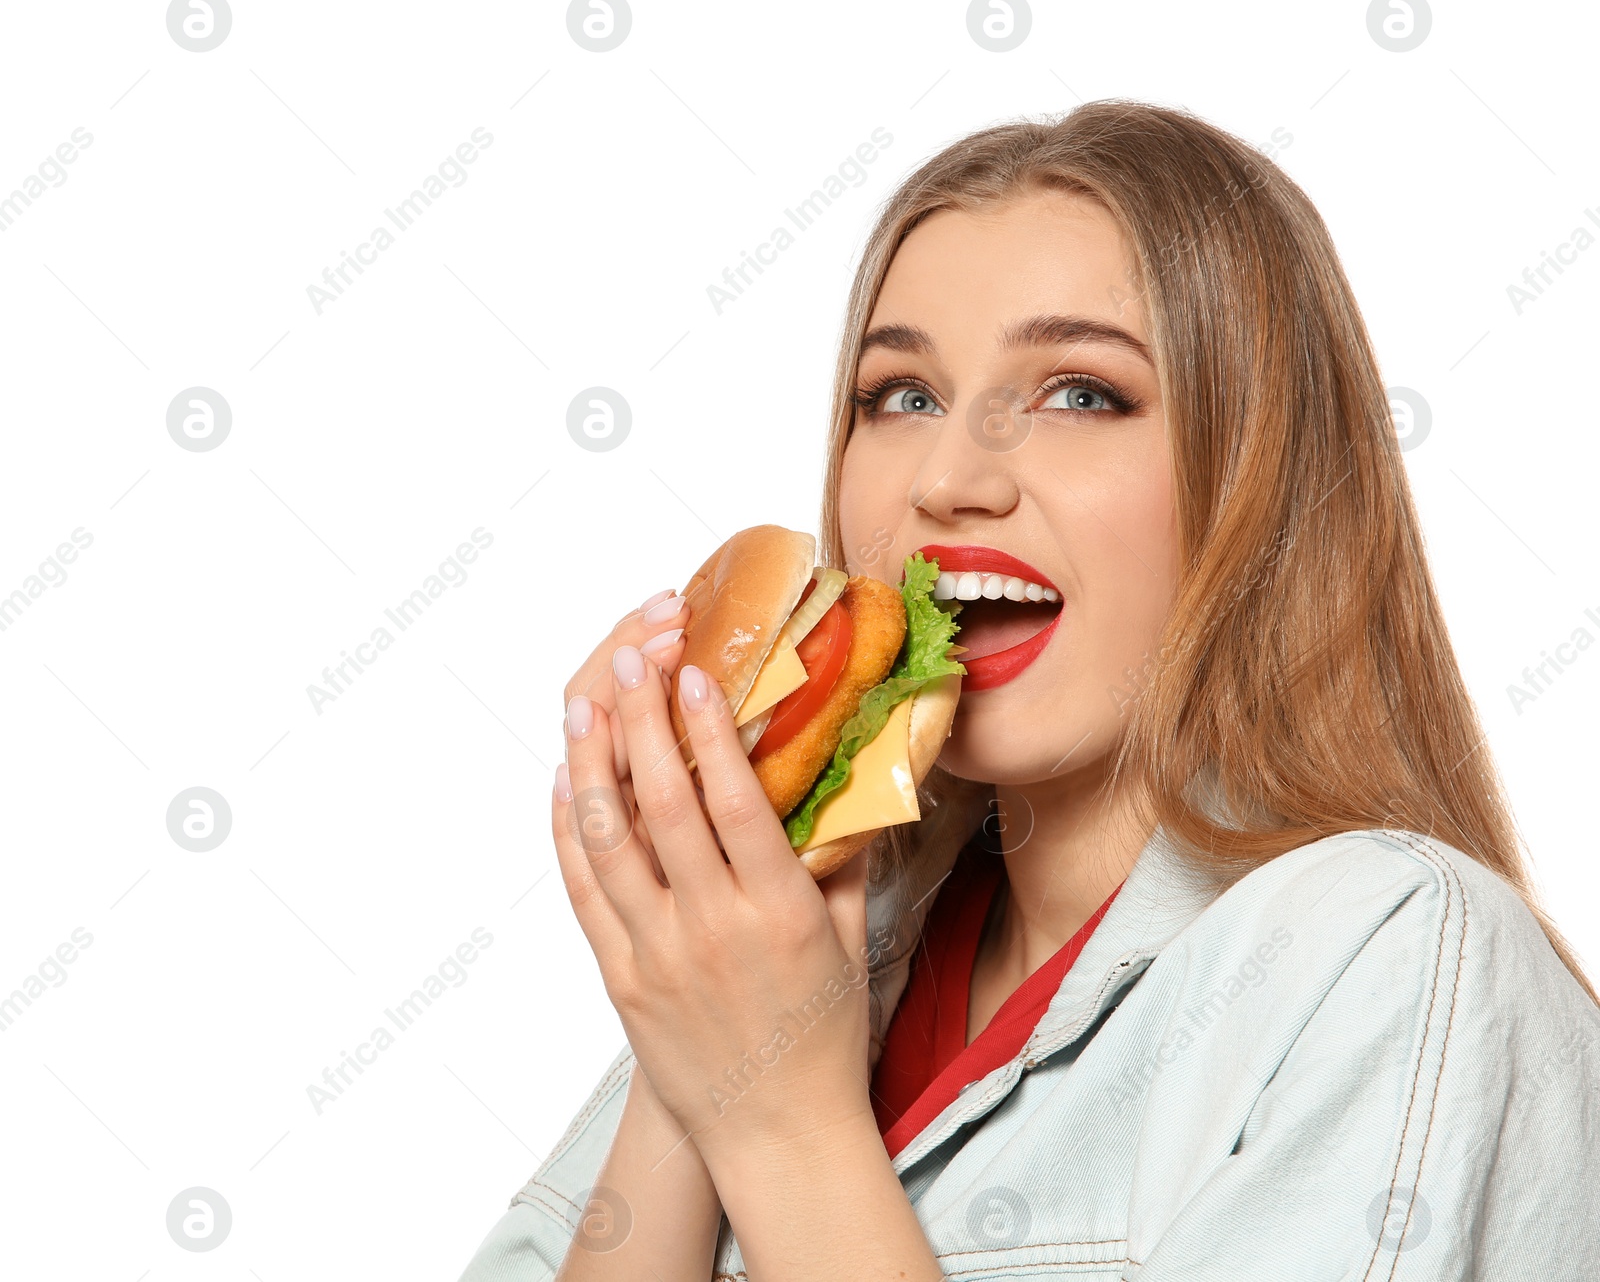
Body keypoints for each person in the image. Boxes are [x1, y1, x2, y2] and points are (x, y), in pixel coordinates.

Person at [458, 100, 1600, 1281]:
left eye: (1080, 393)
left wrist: (778, 1123)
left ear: (1260, 485)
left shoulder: (1389, 954)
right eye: (901, 396)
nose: (947, 478)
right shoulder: (796, 951)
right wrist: (692, 1008)